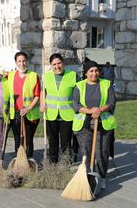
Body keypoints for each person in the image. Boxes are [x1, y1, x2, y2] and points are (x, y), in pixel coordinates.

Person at [72, 60, 117, 190]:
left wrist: (100, 110)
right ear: (86, 73)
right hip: (84, 125)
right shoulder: (79, 86)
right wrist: (90, 111)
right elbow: (76, 104)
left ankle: (101, 177)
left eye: (96, 70)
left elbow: (111, 102)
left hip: (103, 124)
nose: (94, 73)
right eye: (91, 71)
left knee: (101, 151)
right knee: (86, 152)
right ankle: (87, 175)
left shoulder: (106, 84)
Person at [40, 53, 78, 164]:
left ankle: (66, 164)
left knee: (66, 143)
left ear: (63, 63)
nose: (57, 66)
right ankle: (53, 166)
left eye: (59, 63)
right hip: (51, 114)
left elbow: (78, 94)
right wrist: (42, 104)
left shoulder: (72, 75)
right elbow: (43, 92)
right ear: (51, 65)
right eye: (54, 64)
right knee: (52, 142)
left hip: (67, 115)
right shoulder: (46, 77)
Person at [8, 51, 41, 158]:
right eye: (19, 61)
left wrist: (28, 108)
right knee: (18, 139)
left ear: (26, 61)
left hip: (30, 113)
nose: (22, 63)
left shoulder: (33, 76)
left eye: (23, 61)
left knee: (28, 139)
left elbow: (37, 95)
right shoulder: (11, 76)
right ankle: (18, 161)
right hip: (15, 113)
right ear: (16, 62)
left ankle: (28, 162)